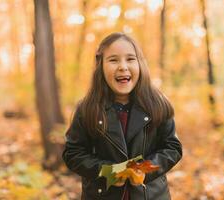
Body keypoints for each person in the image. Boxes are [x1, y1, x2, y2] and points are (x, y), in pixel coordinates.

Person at [62, 32, 182, 200]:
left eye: (130, 59)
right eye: (113, 60)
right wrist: (106, 171)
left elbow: (172, 148)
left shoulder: (158, 105)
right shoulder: (87, 108)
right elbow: (73, 153)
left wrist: (145, 170)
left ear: (140, 64)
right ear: (100, 66)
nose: (123, 66)